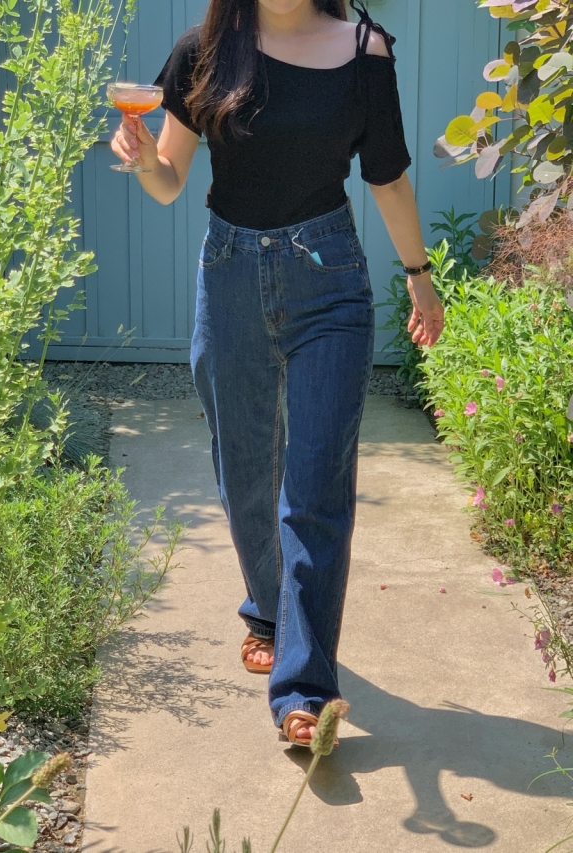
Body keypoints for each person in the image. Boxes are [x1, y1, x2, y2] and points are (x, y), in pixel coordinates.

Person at [111, 0, 444, 748]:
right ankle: (270, 607)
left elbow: (387, 177)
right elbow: (168, 180)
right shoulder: (205, 50)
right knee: (245, 469)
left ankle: (303, 688)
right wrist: (141, 159)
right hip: (229, 274)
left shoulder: (364, 51)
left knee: (317, 483)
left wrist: (419, 276)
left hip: (329, 279)